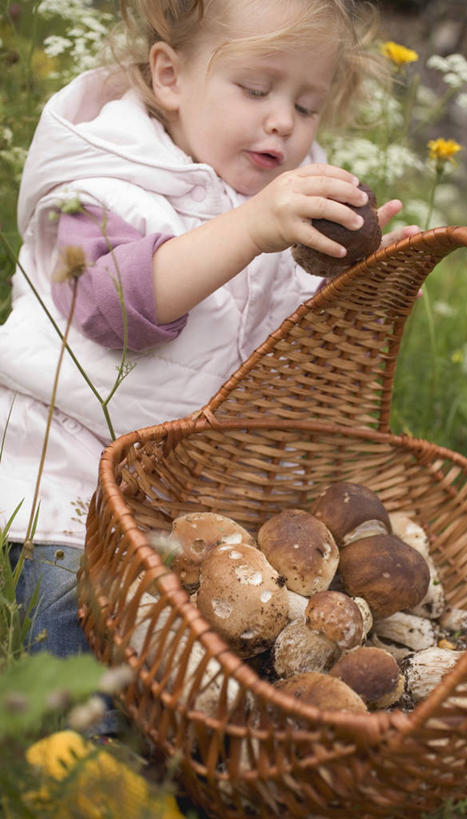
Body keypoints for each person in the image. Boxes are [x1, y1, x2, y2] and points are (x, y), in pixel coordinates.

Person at [1, 0, 420, 662]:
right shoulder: (99, 183)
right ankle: (74, 749)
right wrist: (254, 227)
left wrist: (364, 281)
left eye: (307, 107)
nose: (282, 119)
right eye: (255, 89)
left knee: (219, 661)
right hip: (67, 486)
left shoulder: (280, 205)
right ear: (170, 77)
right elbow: (119, 308)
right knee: (67, 622)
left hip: (194, 511)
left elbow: (299, 351)